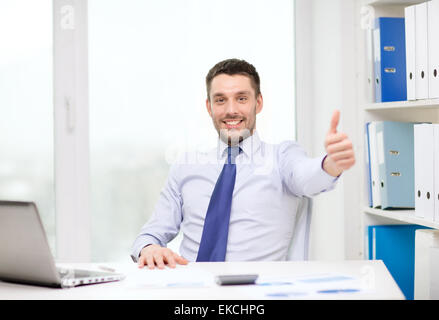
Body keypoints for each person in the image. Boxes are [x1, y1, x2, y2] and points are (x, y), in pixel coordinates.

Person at [131, 58, 355, 269]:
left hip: (258, 294)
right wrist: (149, 248)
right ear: (209, 107)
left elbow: (308, 176)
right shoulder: (186, 166)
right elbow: (151, 233)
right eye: (220, 100)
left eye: (241, 98)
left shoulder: (282, 157)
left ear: (258, 103)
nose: (231, 110)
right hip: (193, 292)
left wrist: (331, 164)